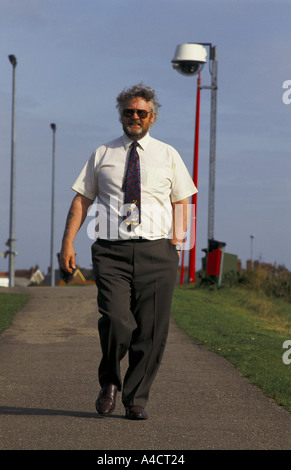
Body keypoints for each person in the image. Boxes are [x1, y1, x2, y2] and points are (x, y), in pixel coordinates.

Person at [59, 83, 197, 420]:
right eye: (128, 112)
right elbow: (82, 199)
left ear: (153, 116)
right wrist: (67, 243)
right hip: (111, 252)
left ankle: (136, 398)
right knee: (117, 320)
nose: (134, 117)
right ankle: (110, 381)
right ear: (121, 115)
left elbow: (182, 200)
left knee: (151, 330)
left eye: (141, 112)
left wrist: (176, 244)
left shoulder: (168, 155)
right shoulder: (103, 154)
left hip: (157, 252)